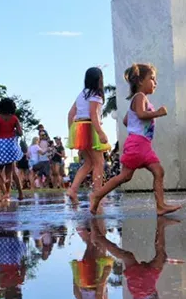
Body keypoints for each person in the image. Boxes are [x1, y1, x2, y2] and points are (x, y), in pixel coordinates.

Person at [89, 64, 180, 215]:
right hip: (138, 144)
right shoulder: (140, 97)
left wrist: (139, 122)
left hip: (142, 144)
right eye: (151, 79)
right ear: (140, 82)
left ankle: (160, 206)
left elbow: (126, 120)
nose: (155, 82)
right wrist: (158, 113)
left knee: (155, 172)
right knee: (130, 176)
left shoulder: (141, 99)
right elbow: (140, 115)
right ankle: (97, 195)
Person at [67, 67, 110, 204]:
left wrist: (72, 133)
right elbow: (93, 115)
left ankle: (73, 190)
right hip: (90, 127)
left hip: (79, 128)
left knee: (89, 163)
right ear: (99, 79)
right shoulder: (95, 95)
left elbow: (70, 114)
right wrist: (100, 132)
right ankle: (97, 194)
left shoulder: (82, 94)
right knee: (99, 162)